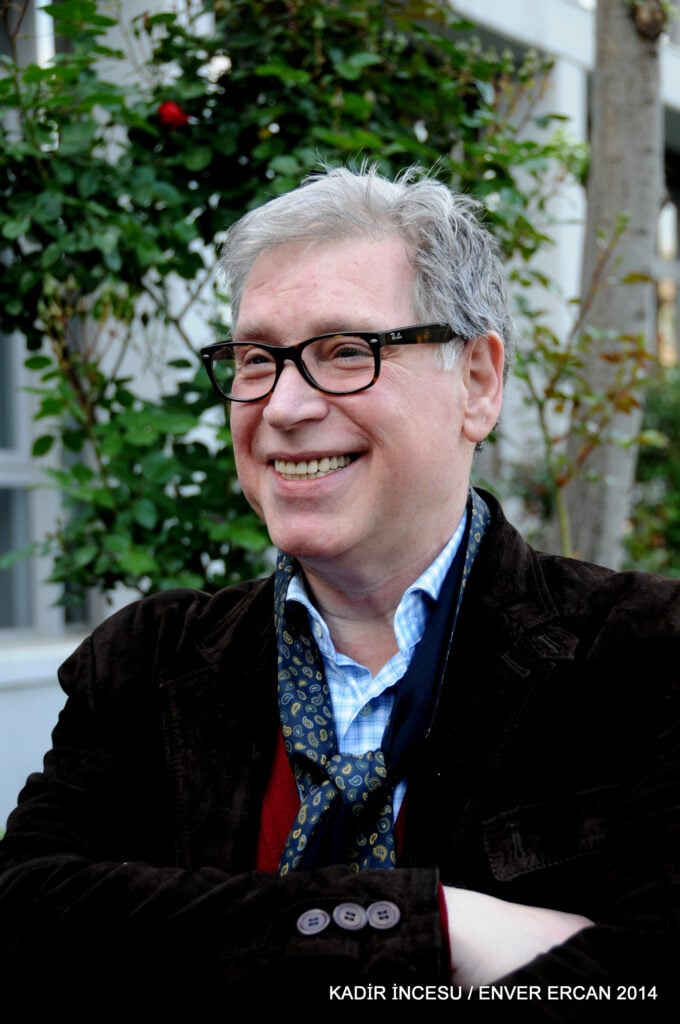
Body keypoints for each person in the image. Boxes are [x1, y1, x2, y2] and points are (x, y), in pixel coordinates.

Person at [0, 165, 677, 1016]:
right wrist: (429, 923)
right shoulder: (144, 666)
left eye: (344, 352)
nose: (282, 406)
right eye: (256, 360)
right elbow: (26, 923)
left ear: (477, 383)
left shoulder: (647, 657)